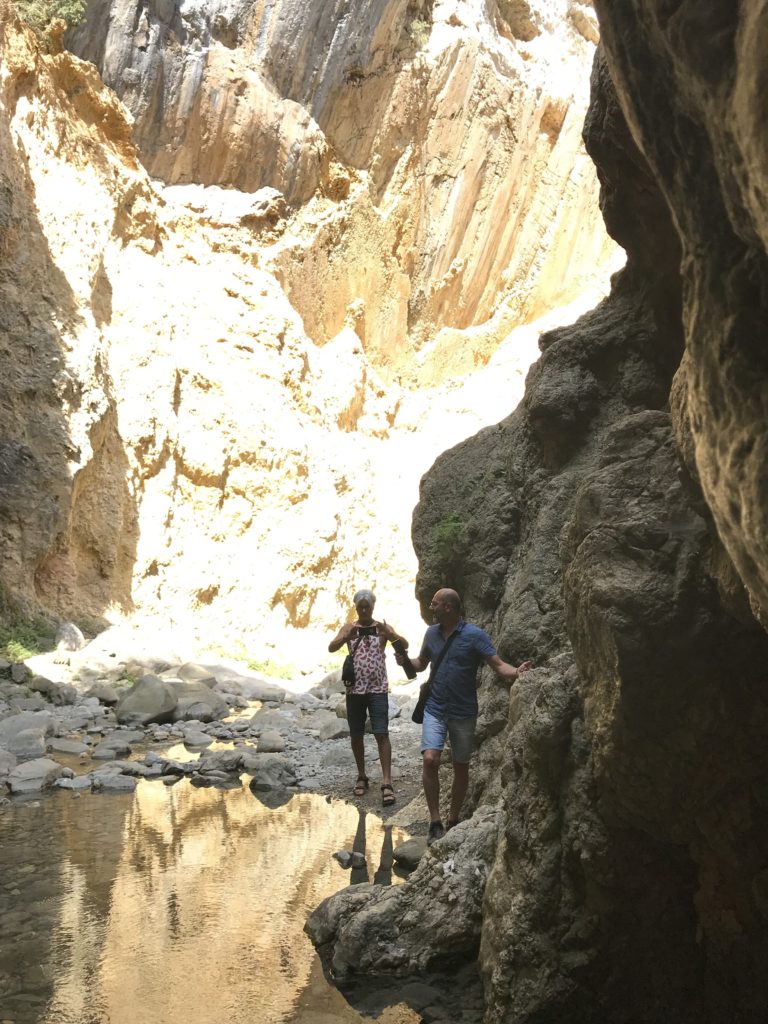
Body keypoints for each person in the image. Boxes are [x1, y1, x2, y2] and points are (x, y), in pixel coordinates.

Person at [398, 587, 532, 845]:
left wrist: (517, 672)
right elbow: (420, 664)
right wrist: (404, 660)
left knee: (461, 766)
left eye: (435, 603)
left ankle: (453, 819)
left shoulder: (474, 636)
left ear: (448, 607)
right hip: (435, 707)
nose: (431, 607)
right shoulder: (431, 633)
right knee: (430, 759)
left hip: (463, 711)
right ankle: (435, 821)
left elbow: (498, 665)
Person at [328, 589, 406, 807]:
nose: (363, 610)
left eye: (367, 607)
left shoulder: (380, 628)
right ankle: (362, 775)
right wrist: (346, 636)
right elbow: (331, 647)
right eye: (360, 607)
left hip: (378, 689)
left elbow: (404, 645)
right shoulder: (349, 627)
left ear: (373, 607)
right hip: (354, 691)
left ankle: (387, 782)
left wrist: (391, 634)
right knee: (356, 734)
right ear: (356, 607)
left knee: (382, 733)